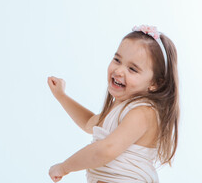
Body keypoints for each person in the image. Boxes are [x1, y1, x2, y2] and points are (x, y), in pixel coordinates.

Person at [48, 25, 179, 183]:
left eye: (132, 69)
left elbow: (106, 150)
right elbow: (89, 123)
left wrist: (64, 167)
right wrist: (61, 96)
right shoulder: (121, 109)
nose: (119, 70)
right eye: (117, 60)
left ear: (155, 84)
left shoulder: (143, 113)